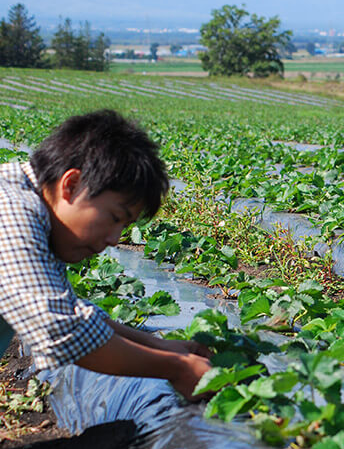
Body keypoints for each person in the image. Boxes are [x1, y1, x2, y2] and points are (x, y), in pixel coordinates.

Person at [0, 109, 211, 400]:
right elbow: (58, 328)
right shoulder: (10, 211)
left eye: (125, 226)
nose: (115, 239)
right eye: (114, 217)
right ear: (72, 185)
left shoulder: (38, 215)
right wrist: (177, 368)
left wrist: (158, 346)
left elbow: (67, 307)